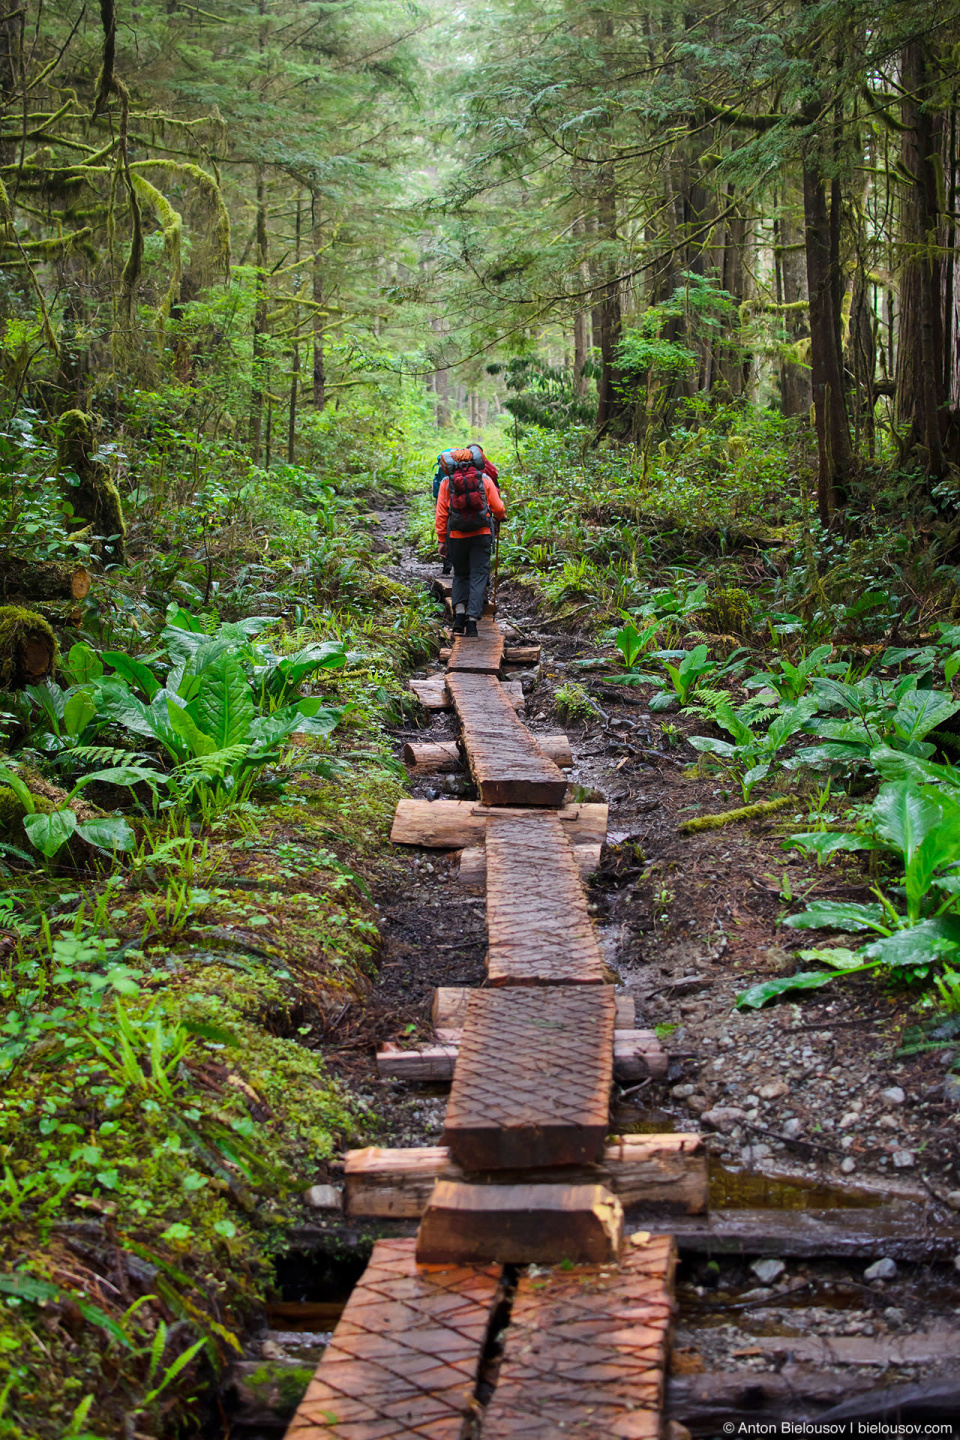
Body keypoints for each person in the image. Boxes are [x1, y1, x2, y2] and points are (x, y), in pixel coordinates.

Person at [434, 444, 505, 637]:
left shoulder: (447, 484)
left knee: (460, 575)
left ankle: (459, 617)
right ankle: (472, 622)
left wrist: (442, 540)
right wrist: (500, 515)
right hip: (481, 534)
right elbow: (498, 508)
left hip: (456, 537)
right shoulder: (485, 479)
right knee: (479, 575)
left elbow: (441, 514)